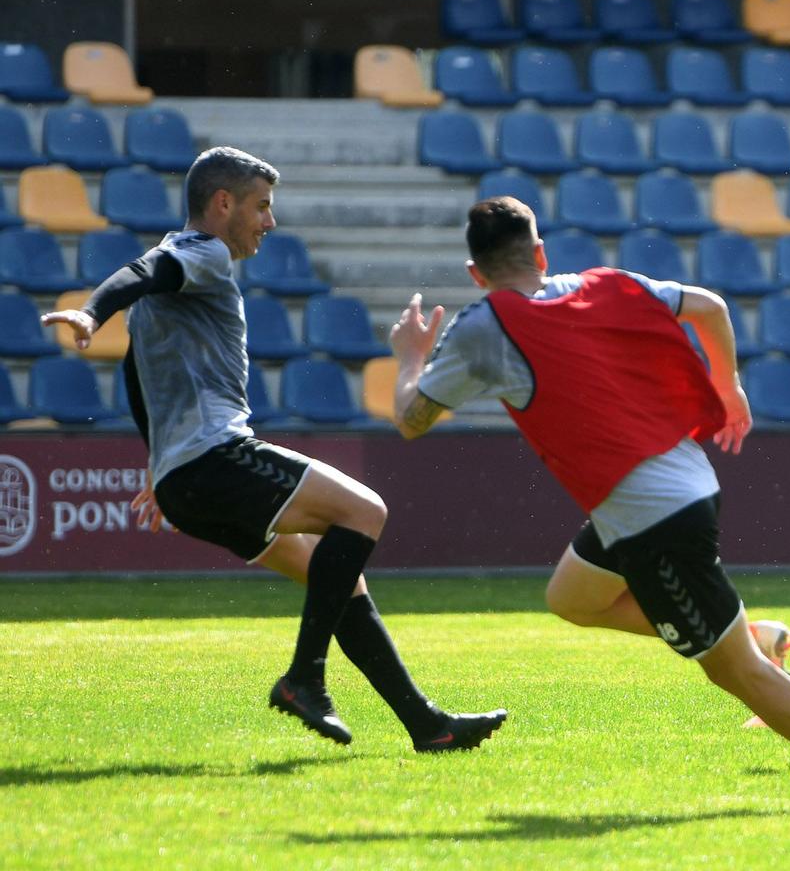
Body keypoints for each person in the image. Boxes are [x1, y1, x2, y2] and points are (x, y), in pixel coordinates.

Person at [389, 196, 790, 810]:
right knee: (571, 596)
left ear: (476, 275)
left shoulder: (483, 327)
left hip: (651, 515)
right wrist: (727, 385)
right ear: (540, 253)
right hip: (676, 485)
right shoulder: (606, 283)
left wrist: (411, 357)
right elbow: (710, 306)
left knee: (733, 673)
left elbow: (410, 420)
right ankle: (754, 636)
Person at [40, 146, 505, 752]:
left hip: (188, 476)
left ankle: (427, 724)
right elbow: (139, 272)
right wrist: (93, 311)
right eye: (261, 206)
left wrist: (160, 463)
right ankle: (304, 679)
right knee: (365, 512)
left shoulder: (178, 274)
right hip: (214, 456)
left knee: (336, 577)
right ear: (223, 203)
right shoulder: (199, 253)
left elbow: (136, 371)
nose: (270, 221)